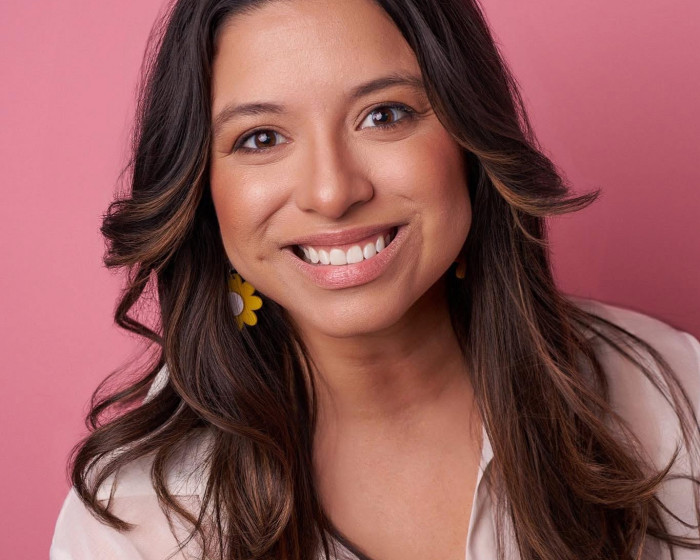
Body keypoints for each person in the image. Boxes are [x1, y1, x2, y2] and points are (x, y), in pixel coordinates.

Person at [51, 0, 700, 559]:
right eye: (261, 138)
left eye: (384, 115)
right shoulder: (132, 519)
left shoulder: (674, 396)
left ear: (469, 139)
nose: (332, 192)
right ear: (201, 189)